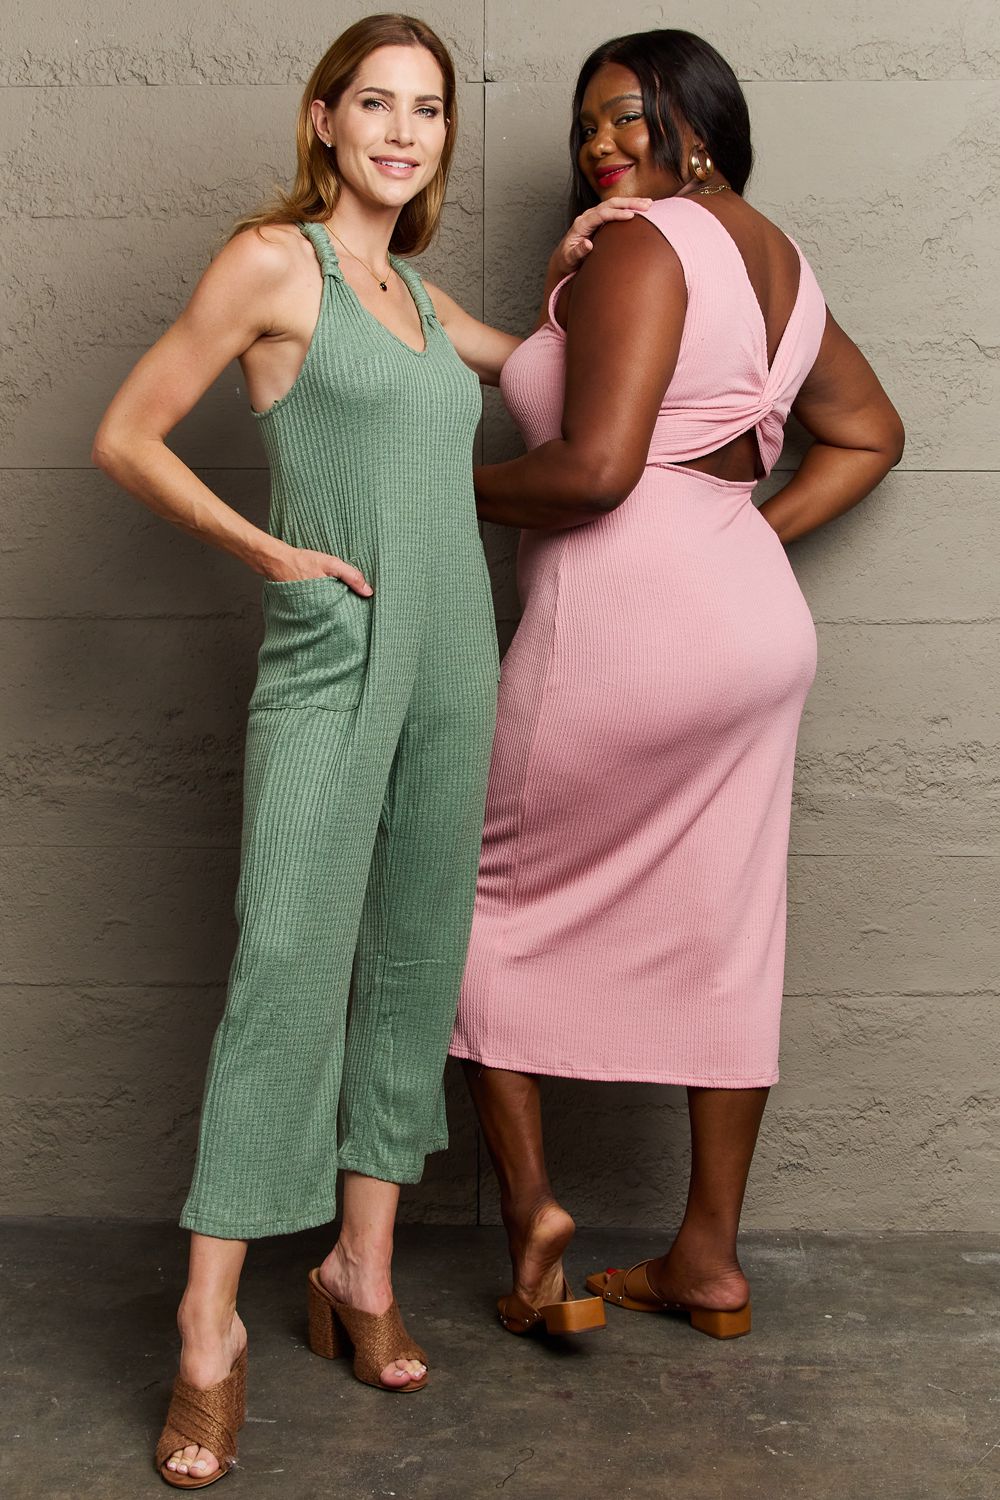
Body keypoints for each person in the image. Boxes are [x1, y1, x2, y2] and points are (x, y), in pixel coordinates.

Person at [92, 12, 645, 1487]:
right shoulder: (276, 265)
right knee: (288, 966)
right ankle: (208, 1328)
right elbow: (128, 435)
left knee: (415, 953)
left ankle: (362, 1268)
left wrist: (599, 253)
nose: (404, 132)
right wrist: (271, 553)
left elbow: (547, 365)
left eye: (430, 110)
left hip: (454, 657)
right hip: (333, 655)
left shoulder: (416, 295)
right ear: (325, 120)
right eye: (378, 104)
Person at [450, 28, 905, 1342]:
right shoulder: (781, 264)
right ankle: (706, 1260)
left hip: (620, 626)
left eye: (628, 117)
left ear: (698, 125)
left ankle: (535, 1232)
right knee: (729, 928)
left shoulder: (646, 245)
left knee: (475, 904)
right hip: (752, 631)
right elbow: (869, 433)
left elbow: (595, 472)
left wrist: (428, 492)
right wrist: (738, 539)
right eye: (586, 125)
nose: (600, 144)